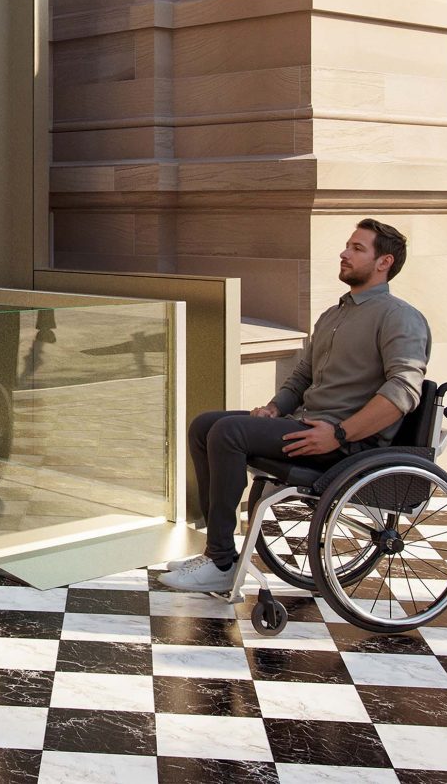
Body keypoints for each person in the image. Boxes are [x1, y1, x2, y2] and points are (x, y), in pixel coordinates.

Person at [160, 219, 431, 594]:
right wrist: (274, 408)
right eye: (346, 246)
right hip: (308, 426)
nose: (343, 253)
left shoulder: (399, 317)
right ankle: (216, 552)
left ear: (384, 262)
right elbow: (302, 376)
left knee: (228, 432)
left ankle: (221, 560)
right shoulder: (335, 315)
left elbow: (403, 392)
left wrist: (339, 434)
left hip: (348, 444)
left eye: (357, 248)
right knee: (205, 424)